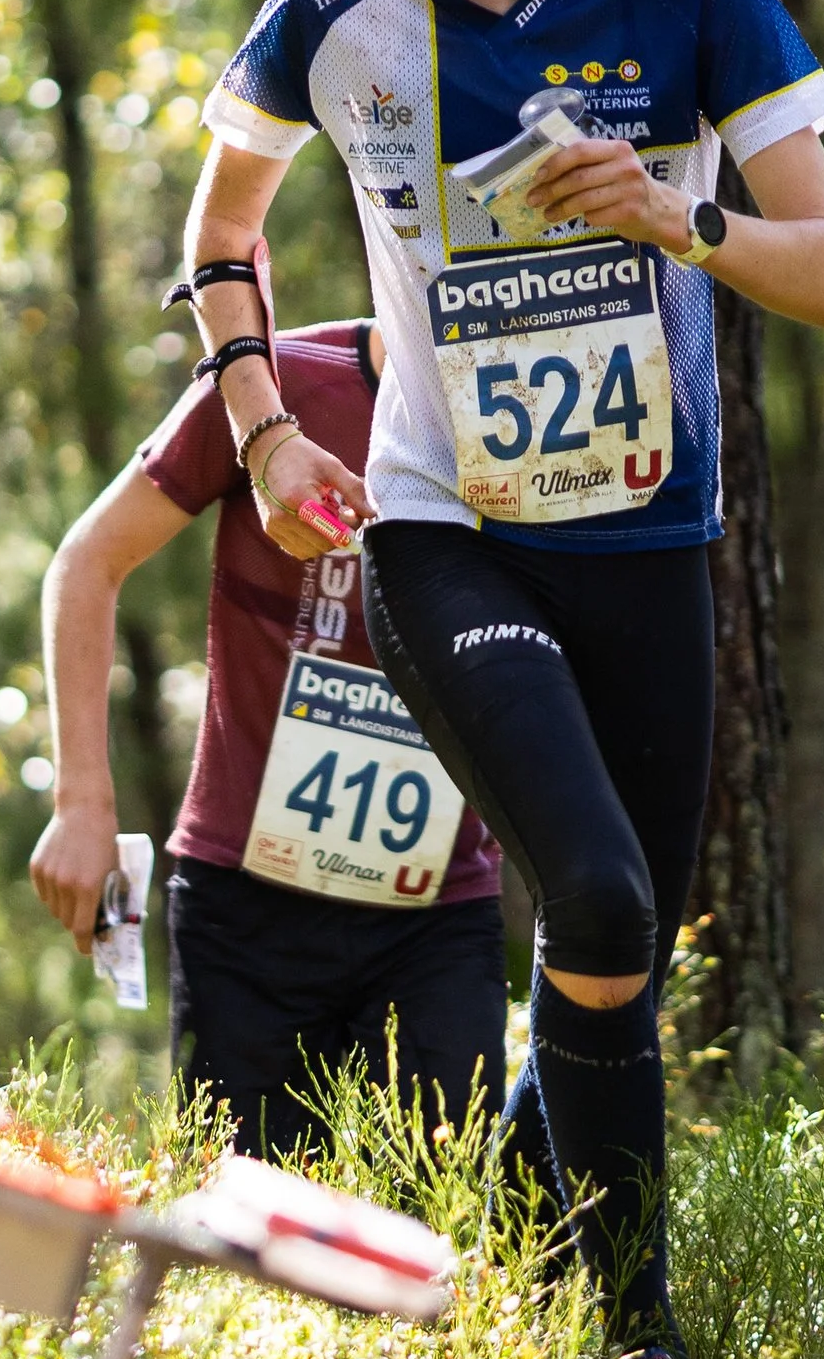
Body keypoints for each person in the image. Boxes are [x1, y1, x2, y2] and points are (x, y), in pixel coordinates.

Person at [175, 0, 824, 1359]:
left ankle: (514, 1256)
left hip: (648, 537)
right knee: (605, 900)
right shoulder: (342, 9)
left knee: (624, 957)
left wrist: (671, 211)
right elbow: (222, 223)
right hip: (438, 534)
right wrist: (257, 426)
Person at [28, 314, 506, 1160]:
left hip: (437, 913)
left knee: (438, 1249)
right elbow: (87, 562)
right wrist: (81, 801)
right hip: (245, 907)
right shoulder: (271, 386)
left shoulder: (544, 415)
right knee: (233, 1234)